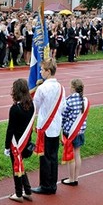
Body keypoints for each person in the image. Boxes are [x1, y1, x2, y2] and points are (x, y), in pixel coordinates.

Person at [32, 58, 64, 193]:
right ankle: (52, 184)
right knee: (53, 156)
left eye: (42, 70)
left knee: (45, 157)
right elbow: (63, 107)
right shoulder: (61, 87)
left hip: (45, 126)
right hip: (55, 126)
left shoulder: (42, 88)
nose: (40, 72)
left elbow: (35, 106)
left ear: (48, 71)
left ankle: (46, 186)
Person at [5, 78, 35, 200]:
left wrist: (7, 146)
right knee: (20, 165)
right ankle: (27, 191)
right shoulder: (32, 105)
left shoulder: (15, 109)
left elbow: (10, 129)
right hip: (26, 140)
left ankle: (18, 194)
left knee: (16, 167)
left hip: (16, 143)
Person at [60, 78, 89, 181]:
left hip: (70, 132)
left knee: (70, 155)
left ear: (73, 88)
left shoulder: (69, 100)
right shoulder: (85, 100)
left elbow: (63, 116)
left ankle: (71, 179)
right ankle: (76, 178)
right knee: (77, 154)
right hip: (80, 131)